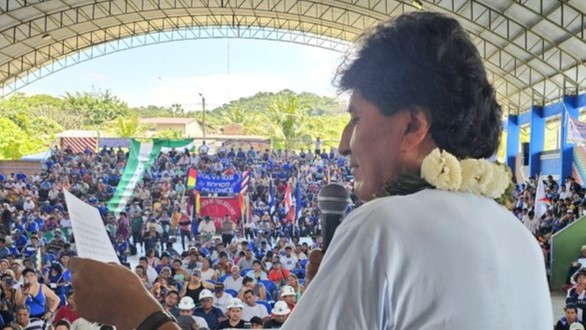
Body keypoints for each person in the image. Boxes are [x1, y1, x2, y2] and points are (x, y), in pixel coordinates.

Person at [66, 11, 551, 330]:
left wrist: (139, 313)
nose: (344, 144)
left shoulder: (383, 226)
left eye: (357, 118)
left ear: (413, 126)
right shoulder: (522, 242)